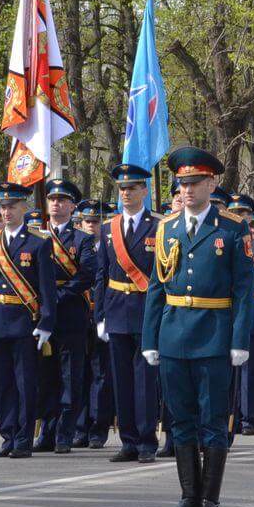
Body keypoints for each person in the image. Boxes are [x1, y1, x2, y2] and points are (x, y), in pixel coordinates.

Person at [143, 146, 254, 507]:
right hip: (174, 335)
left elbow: (243, 289)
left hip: (214, 333)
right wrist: (149, 339)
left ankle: (211, 500)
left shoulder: (232, 228)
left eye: (195, 182)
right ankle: (189, 496)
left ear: (212, 183)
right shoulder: (166, 228)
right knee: (180, 420)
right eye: (182, 183)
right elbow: (157, 288)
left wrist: (240, 339)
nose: (187, 190)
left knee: (212, 418)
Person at [0, 182, 57, 459]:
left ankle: (24, 437)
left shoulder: (39, 242)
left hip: (26, 322)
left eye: (12, 206)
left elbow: (47, 288)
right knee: (3, 383)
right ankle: (8, 435)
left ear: (24, 208)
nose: (6, 212)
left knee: (25, 383)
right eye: (2, 207)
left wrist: (47, 322)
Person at [95, 163, 161, 463]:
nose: (126, 193)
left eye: (132, 188)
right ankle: (128, 440)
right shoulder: (109, 228)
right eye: (122, 189)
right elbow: (102, 273)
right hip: (117, 310)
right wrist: (100, 315)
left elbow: (162, 275)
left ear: (144, 191)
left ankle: (147, 441)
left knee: (145, 380)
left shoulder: (158, 226)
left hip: (145, 310)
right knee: (121, 379)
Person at [37, 176, 97, 455]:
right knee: (45, 376)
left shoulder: (82, 239)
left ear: (72, 207)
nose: (56, 204)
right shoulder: (36, 235)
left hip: (70, 312)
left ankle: (65, 433)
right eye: (52, 199)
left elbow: (87, 274)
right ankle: (46, 432)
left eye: (62, 200)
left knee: (70, 375)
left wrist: (56, 298)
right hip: (41, 315)